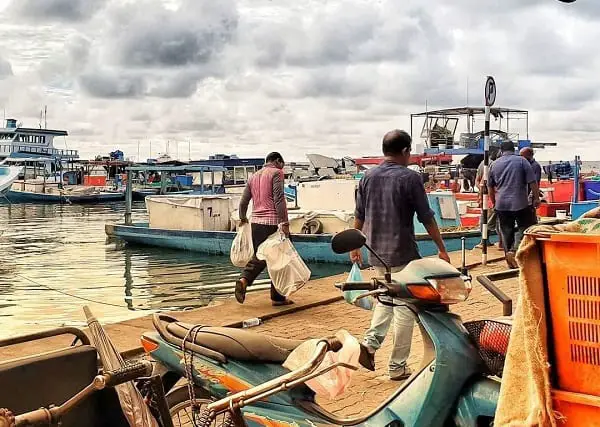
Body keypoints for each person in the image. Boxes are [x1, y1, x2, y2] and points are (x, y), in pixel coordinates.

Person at [351, 130, 450, 381]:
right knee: (405, 307)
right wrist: (441, 248)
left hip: (375, 251)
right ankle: (397, 367)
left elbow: (359, 215)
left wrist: (355, 244)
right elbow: (426, 216)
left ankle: (370, 345)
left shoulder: (367, 177)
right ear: (406, 151)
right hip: (402, 251)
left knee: (386, 299)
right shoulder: (410, 178)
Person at [235, 152, 293, 306]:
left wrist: (242, 218)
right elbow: (279, 199)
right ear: (277, 161)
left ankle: (244, 279)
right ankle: (278, 297)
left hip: (256, 223)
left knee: (261, 255)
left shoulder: (253, 176)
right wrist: (284, 223)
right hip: (273, 223)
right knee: (281, 258)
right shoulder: (277, 173)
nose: (283, 167)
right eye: (282, 164)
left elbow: (243, 202)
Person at [488, 141, 540, 269]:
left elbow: (490, 187)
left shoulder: (494, 164)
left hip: (501, 204)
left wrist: (494, 202)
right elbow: (532, 182)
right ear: (514, 149)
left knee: (506, 231)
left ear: (501, 150)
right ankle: (515, 250)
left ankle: (509, 258)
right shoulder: (522, 161)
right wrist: (536, 198)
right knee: (525, 227)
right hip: (520, 203)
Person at [474, 148, 503, 249]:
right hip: (492, 198)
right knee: (495, 221)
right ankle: (496, 243)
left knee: (486, 219)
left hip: (487, 197)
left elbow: (478, 182)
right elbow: (483, 183)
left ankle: (486, 241)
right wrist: (485, 193)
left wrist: (482, 194)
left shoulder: (483, 164)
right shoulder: (493, 165)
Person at [519, 147, 542, 224]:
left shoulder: (535, 166)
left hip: (529, 197)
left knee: (530, 217)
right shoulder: (524, 165)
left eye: (522, 155)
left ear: (528, 155)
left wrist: (533, 198)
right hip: (523, 197)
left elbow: (535, 183)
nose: (520, 157)